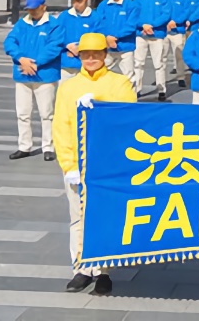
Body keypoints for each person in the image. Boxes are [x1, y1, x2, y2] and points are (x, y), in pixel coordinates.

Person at [52, 32, 136, 294]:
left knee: (105, 217)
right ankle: (81, 268)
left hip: (108, 165)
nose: (91, 58)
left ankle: (103, 271)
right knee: (77, 218)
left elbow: (127, 123)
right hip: (78, 165)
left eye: (96, 54)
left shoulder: (120, 84)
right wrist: (68, 165)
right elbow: (61, 127)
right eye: (86, 54)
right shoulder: (68, 87)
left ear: (104, 55)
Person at [3, 0, 62, 162]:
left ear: (44, 7)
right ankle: (24, 146)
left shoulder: (54, 25)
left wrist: (36, 63)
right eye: (30, 9)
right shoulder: (23, 23)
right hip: (23, 74)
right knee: (23, 113)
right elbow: (9, 42)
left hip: (45, 75)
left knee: (47, 113)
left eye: (35, 9)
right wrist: (20, 58)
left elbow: (54, 47)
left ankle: (48, 146)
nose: (32, 12)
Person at [133, 0, 170, 100]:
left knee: (159, 63)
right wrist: (143, 25)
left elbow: (166, 15)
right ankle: (137, 89)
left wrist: (151, 25)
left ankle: (161, 90)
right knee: (138, 63)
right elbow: (133, 15)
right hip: (141, 35)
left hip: (157, 35)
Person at [95, 0, 138, 87]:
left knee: (129, 76)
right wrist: (107, 38)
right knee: (100, 73)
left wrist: (115, 37)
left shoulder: (131, 5)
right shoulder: (103, 5)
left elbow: (131, 26)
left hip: (125, 47)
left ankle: (131, 101)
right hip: (107, 47)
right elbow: (98, 24)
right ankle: (102, 99)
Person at [58, 0, 97, 81]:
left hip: (87, 66)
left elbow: (98, 38)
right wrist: (67, 46)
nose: (76, 4)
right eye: (74, 0)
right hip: (65, 65)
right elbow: (55, 36)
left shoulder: (95, 17)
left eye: (79, 1)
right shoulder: (64, 17)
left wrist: (81, 48)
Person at [164, 0, 191, 89]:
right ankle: (162, 79)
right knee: (162, 56)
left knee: (179, 56)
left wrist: (175, 21)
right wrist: (165, 22)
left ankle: (181, 77)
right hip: (164, 31)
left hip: (178, 31)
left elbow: (186, 12)